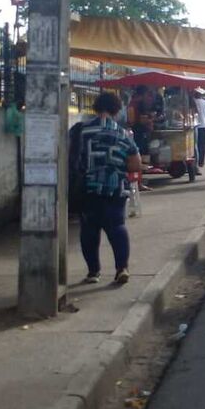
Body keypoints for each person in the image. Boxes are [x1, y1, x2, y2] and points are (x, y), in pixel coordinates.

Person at [76, 92, 142, 285]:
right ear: (116, 109)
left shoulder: (82, 130)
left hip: (88, 188)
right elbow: (135, 164)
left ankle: (93, 272)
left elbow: (70, 157)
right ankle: (122, 268)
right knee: (117, 227)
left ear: (95, 107)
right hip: (114, 187)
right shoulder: (123, 133)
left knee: (89, 230)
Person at [193, 87, 205, 169]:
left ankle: (196, 161)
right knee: (202, 145)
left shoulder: (193, 102)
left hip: (195, 125)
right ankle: (201, 162)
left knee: (195, 144)